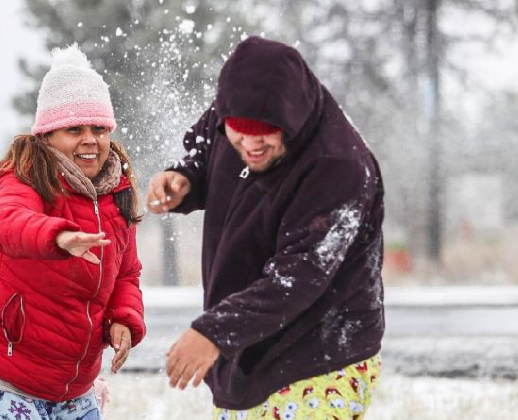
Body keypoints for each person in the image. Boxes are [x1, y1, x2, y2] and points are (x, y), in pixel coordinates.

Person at [147, 37, 385, 419]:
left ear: (290, 118)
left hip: (320, 354)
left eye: (264, 134)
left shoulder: (339, 167)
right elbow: (205, 145)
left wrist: (215, 332)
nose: (250, 145)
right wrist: (186, 176)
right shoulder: (234, 113)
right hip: (249, 347)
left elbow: (299, 275)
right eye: (239, 133)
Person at [0, 44, 145, 420]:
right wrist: (57, 236)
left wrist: (123, 317)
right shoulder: (22, 177)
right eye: (75, 129)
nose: (90, 139)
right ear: (48, 134)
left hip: (71, 387)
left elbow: (126, 274)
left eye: (99, 129)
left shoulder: (116, 194)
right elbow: (6, 221)